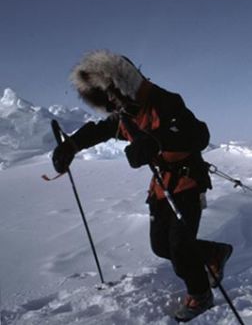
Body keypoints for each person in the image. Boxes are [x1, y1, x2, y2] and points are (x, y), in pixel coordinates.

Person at [52, 50, 233, 321]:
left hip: (187, 181)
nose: (110, 103)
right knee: (161, 245)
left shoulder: (165, 101)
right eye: (103, 99)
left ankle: (201, 294)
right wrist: (72, 146)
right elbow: (102, 130)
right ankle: (213, 252)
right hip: (161, 185)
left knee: (181, 249)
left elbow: (198, 134)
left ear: (122, 84)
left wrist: (156, 140)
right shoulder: (125, 113)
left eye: (110, 94)